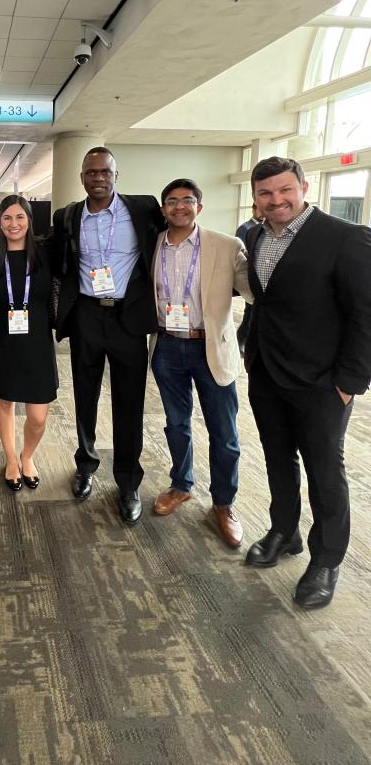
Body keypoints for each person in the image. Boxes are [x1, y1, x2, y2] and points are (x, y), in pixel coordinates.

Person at [243, 156, 371, 609]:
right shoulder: (254, 235)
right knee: (278, 459)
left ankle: (327, 559)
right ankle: (284, 530)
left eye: (284, 190)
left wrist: (350, 382)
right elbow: (266, 302)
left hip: (322, 381)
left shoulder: (346, 237)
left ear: (303, 187)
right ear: (256, 198)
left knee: (325, 471)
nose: (276, 200)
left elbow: (364, 315)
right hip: (267, 372)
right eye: (265, 193)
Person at [48, 147, 164, 523]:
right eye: (90, 172)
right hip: (85, 313)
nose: (97, 178)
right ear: (82, 177)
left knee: (129, 402)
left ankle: (128, 481)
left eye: (104, 172)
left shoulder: (144, 209)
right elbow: (52, 257)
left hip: (128, 317)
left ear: (116, 175)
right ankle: (85, 464)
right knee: (85, 394)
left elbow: (175, 237)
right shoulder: (67, 216)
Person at [149, 179, 252, 548]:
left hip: (210, 347)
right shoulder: (154, 244)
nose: (180, 207)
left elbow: (253, 291)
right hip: (166, 346)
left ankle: (224, 504)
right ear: (163, 209)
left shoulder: (226, 246)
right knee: (177, 423)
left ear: (199, 207)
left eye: (187, 200)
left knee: (223, 433)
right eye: (172, 201)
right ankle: (181, 485)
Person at [0, 195, 57, 490]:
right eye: (7, 218)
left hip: (37, 339)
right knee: (6, 402)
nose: (14, 224)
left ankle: (28, 455)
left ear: (29, 220)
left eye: (19, 217)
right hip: (4, 338)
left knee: (37, 415)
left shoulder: (46, 253)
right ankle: (12, 458)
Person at [234, 204, 263, 351]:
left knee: (252, 312)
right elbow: (242, 253)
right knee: (249, 312)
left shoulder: (264, 228)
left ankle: (244, 342)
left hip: (260, 277)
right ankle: (240, 341)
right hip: (250, 276)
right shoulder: (246, 228)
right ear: (253, 209)